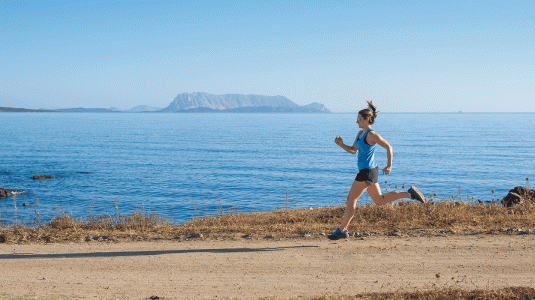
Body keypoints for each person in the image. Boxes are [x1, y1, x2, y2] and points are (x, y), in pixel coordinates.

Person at [328, 101, 426, 241]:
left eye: (359, 119)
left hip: (367, 172)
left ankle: (342, 230)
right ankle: (409, 194)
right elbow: (353, 150)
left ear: (367, 119)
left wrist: (389, 165)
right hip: (369, 171)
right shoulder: (359, 134)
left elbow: (389, 147)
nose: (357, 121)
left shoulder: (372, 135)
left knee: (351, 199)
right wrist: (341, 144)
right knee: (380, 201)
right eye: (357, 119)